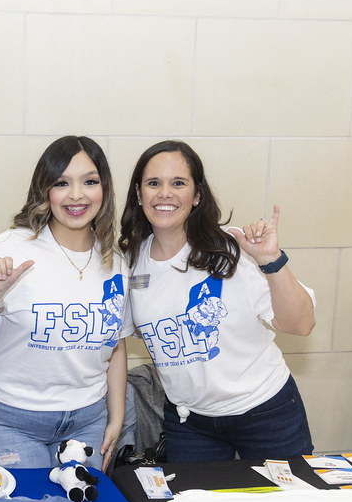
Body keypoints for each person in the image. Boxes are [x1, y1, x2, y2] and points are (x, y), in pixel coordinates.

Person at [119, 140, 316, 462]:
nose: (164, 193)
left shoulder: (232, 249)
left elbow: (301, 324)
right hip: (189, 423)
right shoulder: (128, 262)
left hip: (265, 411)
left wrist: (271, 260)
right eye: (154, 183)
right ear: (139, 194)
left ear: (197, 195)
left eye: (178, 183)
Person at [0, 136, 131, 471]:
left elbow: (117, 345)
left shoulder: (115, 260)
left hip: (89, 419)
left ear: (104, 189)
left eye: (89, 182)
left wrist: (116, 419)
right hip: (10, 419)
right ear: (45, 190)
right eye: (62, 183)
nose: (76, 195)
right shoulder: (9, 248)